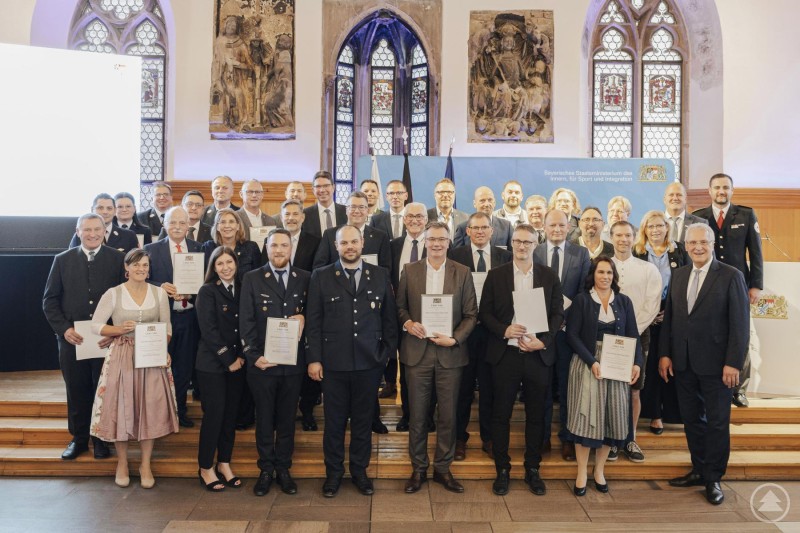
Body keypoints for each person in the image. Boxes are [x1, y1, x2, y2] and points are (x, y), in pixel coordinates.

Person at [305, 225, 398, 498]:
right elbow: (314, 322)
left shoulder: (380, 275)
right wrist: (314, 359)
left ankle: (359, 472)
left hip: (369, 365)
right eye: (344, 242)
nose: (349, 247)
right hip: (332, 365)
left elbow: (389, 321)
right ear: (336, 246)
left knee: (361, 423)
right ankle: (333, 474)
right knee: (333, 424)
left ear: (362, 243)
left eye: (354, 242)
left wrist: (383, 357)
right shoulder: (321, 276)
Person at [659, 223, 749, 505]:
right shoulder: (679, 275)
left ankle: (713, 478)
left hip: (719, 367)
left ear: (712, 244)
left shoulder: (731, 276)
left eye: (703, 242)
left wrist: (733, 363)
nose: (698, 247)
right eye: (692, 243)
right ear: (685, 246)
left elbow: (740, 325)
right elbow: (671, 319)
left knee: (718, 423)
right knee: (692, 421)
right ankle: (698, 469)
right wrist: (665, 353)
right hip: (684, 363)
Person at [479, 224, 564, 497]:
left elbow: (558, 314)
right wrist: (504, 330)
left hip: (537, 355)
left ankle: (532, 469)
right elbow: (485, 313)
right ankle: (502, 469)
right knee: (500, 414)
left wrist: (545, 341)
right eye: (517, 241)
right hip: (505, 355)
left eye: (528, 242)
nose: (522, 246)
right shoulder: (496, 275)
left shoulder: (549, 276)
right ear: (511, 243)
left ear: (536, 244)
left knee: (536, 416)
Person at [397, 221, 477, 494]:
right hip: (416, 354)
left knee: (448, 416)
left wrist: (454, 338)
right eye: (432, 239)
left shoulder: (462, 272)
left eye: (442, 239)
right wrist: (408, 323)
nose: (436, 244)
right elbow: (399, 308)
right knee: (418, 416)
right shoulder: (410, 271)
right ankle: (418, 469)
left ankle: (443, 469)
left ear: (448, 242)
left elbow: (471, 314)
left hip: (449, 354)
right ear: (425, 240)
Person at [89, 248, 179, 489]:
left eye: (145, 265)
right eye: (136, 265)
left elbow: (167, 328)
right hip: (122, 355)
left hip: (151, 357)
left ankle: (145, 464)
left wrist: (161, 348)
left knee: (148, 408)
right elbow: (96, 325)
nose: (141, 269)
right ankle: (122, 462)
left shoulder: (159, 293)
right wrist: (117, 330)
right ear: (126, 268)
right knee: (121, 408)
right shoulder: (114, 293)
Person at [43, 213, 125, 461]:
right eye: (86, 230)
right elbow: (49, 301)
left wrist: (113, 332)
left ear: (104, 231)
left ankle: (101, 439)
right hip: (72, 340)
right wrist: (64, 329)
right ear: (78, 232)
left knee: (103, 390)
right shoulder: (62, 260)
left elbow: (123, 300)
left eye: (96, 229)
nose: (92, 234)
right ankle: (79, 439)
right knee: (76, 389)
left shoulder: (117, 259)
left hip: (105, 340)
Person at [240, 229, 310, 497]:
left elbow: (314, 314)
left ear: (291, 248)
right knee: (265, 419)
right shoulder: (252, 278)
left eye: (284, 245)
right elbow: (245, 322)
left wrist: (303, 316)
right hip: (262, 364)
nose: (279, 250)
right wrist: (253, 355)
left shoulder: (305, 278)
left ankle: (284, 468)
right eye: (274, 246)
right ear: (266, 249)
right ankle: (266, 469)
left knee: (287, 419)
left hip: (293, 365)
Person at [565, 257, 643, 496]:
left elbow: (633, 335)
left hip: (617, 366)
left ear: (614, 276)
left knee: (611, 418)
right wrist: (592, 361)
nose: (605, 276)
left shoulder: (624, 301)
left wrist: (637, 363)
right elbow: (572, 336)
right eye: (601, 272)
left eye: (609, 272)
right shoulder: (581, 300)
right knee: (586, 418)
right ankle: (581, 472)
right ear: (593, 274)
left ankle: (599, 470)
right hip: (588, 364)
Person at [692, 173, 763, 408]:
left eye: (726, 187)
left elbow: (755, 253)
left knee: (740, 335)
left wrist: (755, 285)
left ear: (732, 190)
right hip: (707, 286)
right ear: (709, 191)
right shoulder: (698, 217)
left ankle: (739, 389)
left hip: (738, 286)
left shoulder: (745, 214)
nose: (721, 191)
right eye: (717, 187)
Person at [448, 212, 512, 461]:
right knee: (462, 389)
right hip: (464, 333)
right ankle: (459, 438)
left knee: (490, 389)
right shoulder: (455, 256)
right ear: (467, 231)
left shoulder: (504, 257)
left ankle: (489, 437)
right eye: (475, 228)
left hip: (493, 334)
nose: (480, 232)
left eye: (485, 227)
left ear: (492, 231)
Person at [533, 209, 591, 461]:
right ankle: (542, 437)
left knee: (569, 387)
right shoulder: (533, 252)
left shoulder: (581, 253)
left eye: (561, 225)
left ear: (569, 228)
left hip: (568, 333)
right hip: (540, 332)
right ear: (544, 227)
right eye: (552, 225)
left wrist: (565, 320)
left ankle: (567, 438)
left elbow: (583, 292)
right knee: (542, 388)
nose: (556, 229)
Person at [144, 207, 205, 428]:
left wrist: (193, 291)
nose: (177, 227)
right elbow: (140, 280)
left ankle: (180, 410)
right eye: (173, 222)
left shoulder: (200, 249)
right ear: (164, 225)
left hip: (190, 317)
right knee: (159, 367)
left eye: (182, 222)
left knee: (184, 367)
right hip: (162, 319)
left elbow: (208, 283)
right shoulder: (150, 249)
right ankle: (159, 413)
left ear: (189, 225)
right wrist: (161, 286)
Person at [609, 220, 661, 462]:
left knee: (633, 391)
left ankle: (630, 439)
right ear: (611, 237)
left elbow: (652, 305)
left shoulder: (648, 269)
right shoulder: (601, 267)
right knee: (608, 390)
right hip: (605, 337)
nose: (623, 239)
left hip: (639, 336)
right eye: (618, 235)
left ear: (634, 237)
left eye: (628, 235)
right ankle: (610, 440)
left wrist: (629, 332)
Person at [633, 210, 690, 434]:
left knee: (670, 364)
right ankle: (654, 414)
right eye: (650, 226)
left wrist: (670, 311)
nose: (655, 230)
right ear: (644, 230)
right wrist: (649, 312)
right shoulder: (637, 253)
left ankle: (672, 414)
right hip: (645, 317)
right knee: (649, 365)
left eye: (659, 226)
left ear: (667, 228)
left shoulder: (679, 252)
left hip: (672, 315)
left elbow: (685, 285)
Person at [195, 246, 246, 492]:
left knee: (230, 417)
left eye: (229, 262)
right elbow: (209, 331)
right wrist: (229, 359)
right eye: (220, 264)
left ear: (236, 263)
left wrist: (242, 357)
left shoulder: (244, 288)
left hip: (238, 363)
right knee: (214, 416)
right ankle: (205, 467)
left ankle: (224, 463)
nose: (226, 267)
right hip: (213, 365)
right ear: (213, 268)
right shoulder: (207, 291)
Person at [388, 202, 428, 429]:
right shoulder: (393, 246)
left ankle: (425, 417)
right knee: (405, 367)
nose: (414, 220)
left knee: (426, 369)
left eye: (419, 216)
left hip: (428, 316)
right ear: (403, 219)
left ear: (426, 219)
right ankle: (407, 414)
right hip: (398, 315)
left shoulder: (435, 245)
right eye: (410, 216)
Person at [313, 191, 391, 272]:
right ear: (346, 210)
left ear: (367, 211)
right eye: (353, 207)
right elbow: (319, 267)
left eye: (361, 207)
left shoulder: (380, 237)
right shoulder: (330, 235)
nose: (357, 211)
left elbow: (386, 270)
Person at [203, 208, 262, 280]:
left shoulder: (251, 247)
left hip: (245, 291)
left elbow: (258, 277)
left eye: (231, 222)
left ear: (238, 226)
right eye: (223, 222)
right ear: (217, 227)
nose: (227, 226)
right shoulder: (208, 247)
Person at [69, 193, 139, 254]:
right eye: (100, 208)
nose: (105, 212)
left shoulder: (129, 236)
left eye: (109, 208)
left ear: (115, 211)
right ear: (92, 210)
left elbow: (134, 263)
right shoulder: (82, 235)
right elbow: (72, 259)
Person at [302, 171, 347, 239]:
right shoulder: (305, 214)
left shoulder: (346, 211)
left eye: (326, 186)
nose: (322, 190)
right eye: (318, 186)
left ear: (333, 187)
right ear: (313, 190)